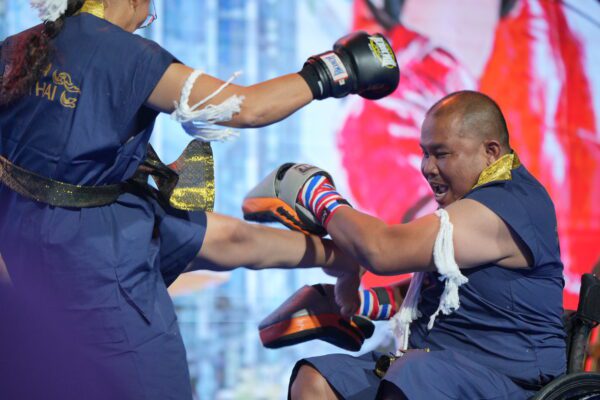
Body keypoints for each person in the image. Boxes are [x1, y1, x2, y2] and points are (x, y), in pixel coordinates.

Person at [0, 0, 398, 398]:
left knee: (227, 237)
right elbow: (247, 108)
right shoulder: (122, 53)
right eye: (148, 13)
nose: (143, 21)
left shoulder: (17, 46)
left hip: (41, 235)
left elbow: (232, 241)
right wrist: (338, 68)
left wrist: (342, 262)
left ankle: (339, 260)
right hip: (95, 265)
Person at [244, 90, 566, 399]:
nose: (427, 167)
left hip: (508, 381)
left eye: (441, 154)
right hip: (440, 368)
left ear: (490, 152)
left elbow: (383, 251)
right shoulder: (472, 202)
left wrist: (313, 191)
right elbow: (438, 293)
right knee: (317, 381)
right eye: (425, 153)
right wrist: (358, 305)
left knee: (413, 373)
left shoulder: (510, 204)